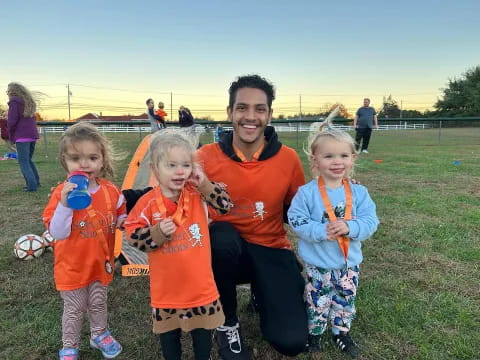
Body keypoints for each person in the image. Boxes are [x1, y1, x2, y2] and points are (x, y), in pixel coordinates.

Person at [196, 74, 308, 359]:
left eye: (259, 109)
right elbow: (170, 196)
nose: (250, 116)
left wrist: (340, 192)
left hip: (270, 248)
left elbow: (302, 211)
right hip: (224, 254)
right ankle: (227, 322)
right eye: (242, 107)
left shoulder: (289, 158)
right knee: (221, 236)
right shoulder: (204, 157)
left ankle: (265, 291)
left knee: (291, 342)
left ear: (269, 114)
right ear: (230, 112)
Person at [123, 130, 232, 360]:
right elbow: (132, 235)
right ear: (154, 170)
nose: (180, 171)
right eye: (171, 165)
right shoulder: (147, 204)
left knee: (203, 338)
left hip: (200, 288)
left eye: (185, 165)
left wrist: (204, 184)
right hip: (167, 291)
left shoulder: (196, 195)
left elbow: (224, 206)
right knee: (170, 341)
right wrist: (157, 232)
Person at [287, 124, 379, 359]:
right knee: (317, 298)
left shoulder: (359, 193)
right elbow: (295, 219)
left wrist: (350, 226)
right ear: (315, 160)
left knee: (345, 297)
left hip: (349, 263)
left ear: (352, 158)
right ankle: (314, 333)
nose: (337, 162)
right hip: (318, 263)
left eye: (343, 155)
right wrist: (319, 230)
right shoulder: (306, 193)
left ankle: (341, 332)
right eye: (329, 156)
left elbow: (370, 221)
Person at [42, 122, 126, 360]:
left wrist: (123, 221)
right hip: (73, 267)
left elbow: (121, 212)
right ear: (65, 161)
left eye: (92, 157)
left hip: (99, 263)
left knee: (99, 302)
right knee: (75, 309)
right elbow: (57, 233)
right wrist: (65, 205)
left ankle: (99, 334)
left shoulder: (111, 191)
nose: (85, 164)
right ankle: (69, 345)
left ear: (102, 160)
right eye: (76, 158)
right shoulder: (61, 194)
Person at [6, 82, 40, 191]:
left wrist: (11, 137)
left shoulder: (14, 102)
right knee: (28, 160)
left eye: (8, 90)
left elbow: (11, 122)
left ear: (12, 91)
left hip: (22, 136)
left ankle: (31, 186)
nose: (7, 92)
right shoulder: (28, 102)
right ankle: (36, 182)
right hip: (32, 134)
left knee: (23, 162)